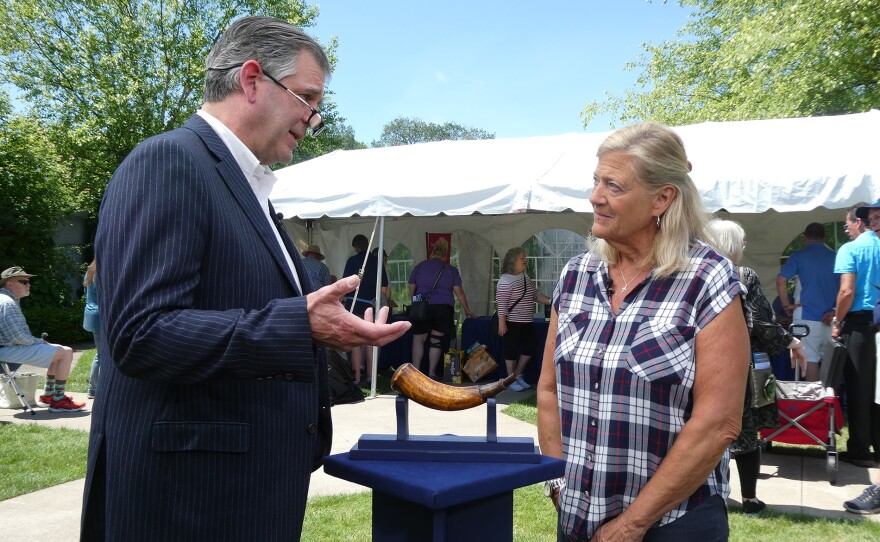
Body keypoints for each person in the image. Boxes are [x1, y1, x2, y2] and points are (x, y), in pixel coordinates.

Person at [81, 16, 409, 542]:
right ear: (252, 80)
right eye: (307, 98)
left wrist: (324, 323)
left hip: (239, 493)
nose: (313, 120)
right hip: (188, 502)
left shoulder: (248, 187)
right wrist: (299, 325)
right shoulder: (169, 163)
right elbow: (140, 335)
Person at [537, 122, 750, 541]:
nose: (595, 196)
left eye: (614, 186)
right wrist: (558, 484)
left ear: (662, 198)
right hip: (578, 519)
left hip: (673, 524)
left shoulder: (706, 278)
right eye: (596, 181)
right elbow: (548, 390)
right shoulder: (577, 275)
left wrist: (632, 525)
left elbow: (719, 421)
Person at [706, 218, 806, 516]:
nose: (745, 246)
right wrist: (793, 343)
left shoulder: (697, 275)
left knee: (707, 431)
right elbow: (763, 321)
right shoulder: (743, 275)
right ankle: (749, 498)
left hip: (705, 363)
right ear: (732, 245)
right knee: (746, 432)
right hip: (742, 364)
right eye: (743, 241)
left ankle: (713, 496)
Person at [832, 200, 880, 468]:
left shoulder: (850, 249)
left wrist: (837, 321)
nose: (846, 228)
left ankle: (860, 449)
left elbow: (847, 291)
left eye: (848, 223)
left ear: (857, 222)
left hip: (861, 323)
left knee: (860, 388)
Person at [0, 266, 84, 412]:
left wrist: (39, 342)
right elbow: (17, 336)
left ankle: (48, 396)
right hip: (7, 351)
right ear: (9, 284)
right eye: (23, 282)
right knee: (66, 352)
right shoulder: (7, 303)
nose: (28, 285)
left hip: (8, 349)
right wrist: (39, 341)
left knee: (59, 351)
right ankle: (58, 400)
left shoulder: (6, 299)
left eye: (28, 282)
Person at [775, 223, 838, 381]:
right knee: (830, 360)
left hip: (806, 316)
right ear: (824, 237)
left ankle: (816, 403)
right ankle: (830, 400)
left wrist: (786, 305)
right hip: (832, 316)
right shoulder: (836, 256)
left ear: (805, 237)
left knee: (810, 357)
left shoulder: (799, 256)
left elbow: (781, 280)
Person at [408, 237, 475, 377]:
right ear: (446, 254)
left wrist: (414, 302)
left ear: (432, 252)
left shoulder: (419, 267)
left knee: (418, 339)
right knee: (435, 340)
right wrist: (467, 310)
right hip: (443, 308)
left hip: (422, 307)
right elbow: (459, 292)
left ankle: (415, 372)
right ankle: (432, 373)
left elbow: (411, 287)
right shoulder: (451, 270)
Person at [496, 247, 550, 392]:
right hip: (512, 322)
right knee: (511, 351)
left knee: (529, 348)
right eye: (522, 258)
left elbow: (535, 294)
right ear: (513, 261)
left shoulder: (525, 277)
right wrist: (502, 323)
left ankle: (517, 375)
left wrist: (550, 301)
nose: (525, 260)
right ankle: (510, 379)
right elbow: (501, 304)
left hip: (527, 321)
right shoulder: (505, 281)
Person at [342, 234, 389, 384]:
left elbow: (346, 284)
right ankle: (370, 376)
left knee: (356, 342)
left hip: (354, 304)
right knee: (370, 341)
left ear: (356, 247)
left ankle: (356, 377)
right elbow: (383, 288)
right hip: (370, 305)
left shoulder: (352, 261)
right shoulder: (377, 262)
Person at [83, 259, 101, 399]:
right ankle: (93, 389)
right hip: (101, 316)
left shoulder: (90, 271)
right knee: (102, 355)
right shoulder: (102, 272)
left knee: (100, 354)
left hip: (92, 314)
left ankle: (93, 388)